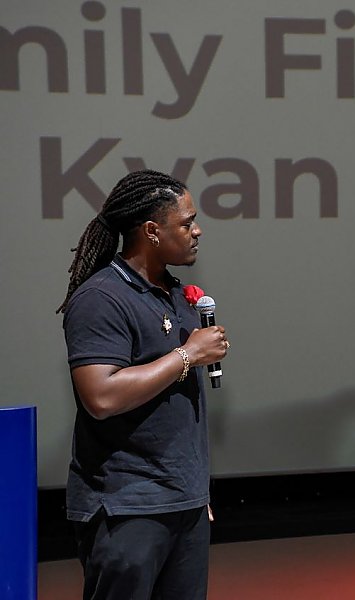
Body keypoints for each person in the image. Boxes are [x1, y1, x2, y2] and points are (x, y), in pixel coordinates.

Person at [58, 169, 229, 600]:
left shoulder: (175, 294)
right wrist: (187, 355)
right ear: (152, 231)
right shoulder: (102, 298)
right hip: (126, 507)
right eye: (186, 222)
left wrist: (194, 490)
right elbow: (100, 395)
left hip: (182, 501)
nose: (197, 231)